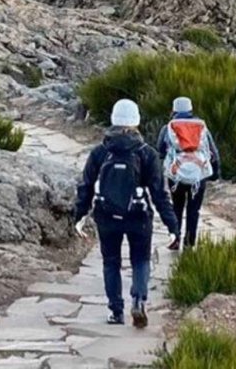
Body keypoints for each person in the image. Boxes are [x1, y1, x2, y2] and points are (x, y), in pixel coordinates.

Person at [74, 98, 180, 328]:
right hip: (138, 216)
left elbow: (86, 185)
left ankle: (115, 311)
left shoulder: (100, 152)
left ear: (113, 119)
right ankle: (139, 300)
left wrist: (80, 215)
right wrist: (172, 226)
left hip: (106, 215)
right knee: (140, 260)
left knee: (110, 262)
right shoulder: (147, 154)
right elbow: (160, 194)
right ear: (137, 121)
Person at [156, 95, 220, 250]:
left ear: (173, 110)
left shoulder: (168, 128)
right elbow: (213, 152)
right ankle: (190, 242)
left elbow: (160, 150)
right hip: (198, 175)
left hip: (176, 175)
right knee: (194, 209)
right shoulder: (201, 126)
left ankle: (175, 238)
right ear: (191, 110)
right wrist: (215, 172)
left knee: (177, 206)